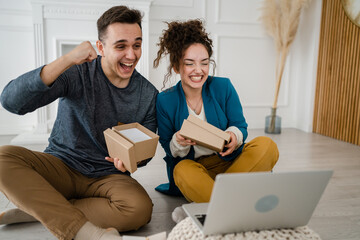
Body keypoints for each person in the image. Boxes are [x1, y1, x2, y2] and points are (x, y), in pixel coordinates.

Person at [0, 5, 158, 240]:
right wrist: (66, 59)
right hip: (61, 164)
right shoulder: (77, 72)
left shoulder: (148, 94)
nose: (131, 55)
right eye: (121, 46)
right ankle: (87, 232)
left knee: (139, 209)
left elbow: (143, 154)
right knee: (3, 159)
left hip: (108, 176)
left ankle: (42, 210)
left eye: (137, 45)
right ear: (101, 47)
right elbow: (11, 102)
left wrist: (131, 161)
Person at [153, 19, 279, 220]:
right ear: (177, 67)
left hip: (231, 163)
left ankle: (212, 208)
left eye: (204, 63)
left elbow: (240, 126)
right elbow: (169, 148)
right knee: (182, 170)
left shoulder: (223, 87)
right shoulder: (164, 100)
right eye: (190, 63)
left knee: (267, 145)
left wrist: (234, 136)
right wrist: (179, 140)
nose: (199, 70)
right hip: (196, 168)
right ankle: (240, 206)